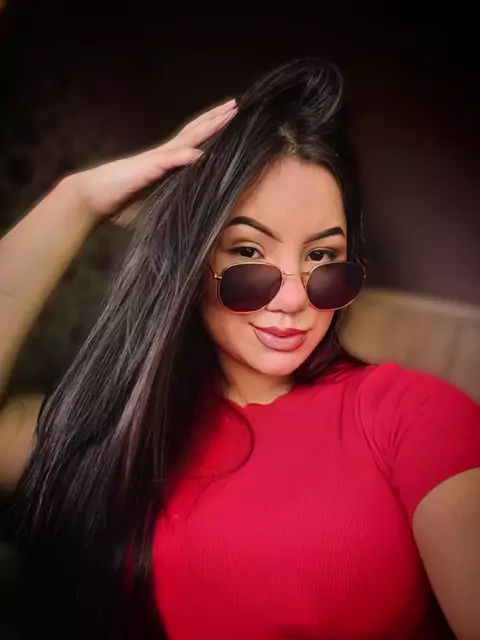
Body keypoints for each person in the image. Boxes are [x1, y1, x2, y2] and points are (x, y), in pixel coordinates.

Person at [0, 59, 479, 640]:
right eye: (249, 253)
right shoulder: (113, 433)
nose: (294, 299)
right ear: (195, 263)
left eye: (322, 257)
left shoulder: (414, 414)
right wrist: (74, 200)